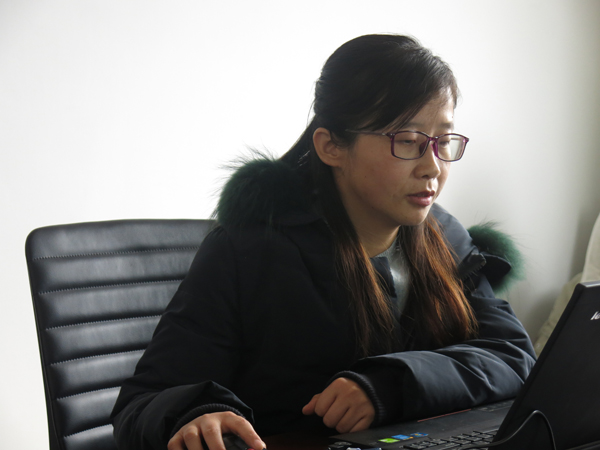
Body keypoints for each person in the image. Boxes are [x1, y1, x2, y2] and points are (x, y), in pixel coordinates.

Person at [111, 34, 536, 450]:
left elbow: (512, 357)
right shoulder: (249, 250)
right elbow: (143, 402)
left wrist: (392, 384)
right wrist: (197, 414)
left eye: (442, 141)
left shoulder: (446, 238)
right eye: (407, 141)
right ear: (331, 146)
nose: (433, 167)